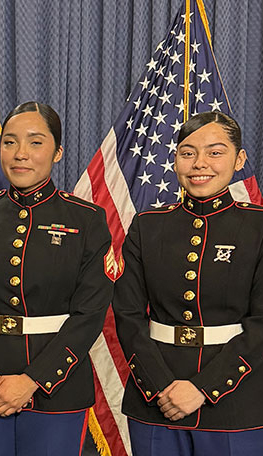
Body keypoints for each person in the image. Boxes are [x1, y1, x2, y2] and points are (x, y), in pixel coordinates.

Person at [0, 102, 113, 455]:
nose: (20, 154)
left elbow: (90, 314)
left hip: (57, 388)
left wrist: (34, 380)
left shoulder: (87, 219)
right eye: (10, 142)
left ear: (58, 151)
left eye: (36, 142)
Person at [114, 111, 263, 455]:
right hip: (155, 398)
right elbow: (127, 314)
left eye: (215, 152)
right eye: (187, 152)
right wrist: (161, 385)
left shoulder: (257, 228)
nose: (200, 164)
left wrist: (204, 388)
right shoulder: (147, 226)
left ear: (239, 159)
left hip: (235, 399)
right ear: (175, 160)